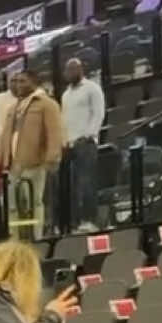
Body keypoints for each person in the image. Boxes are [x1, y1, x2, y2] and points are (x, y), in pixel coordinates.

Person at [0, 70, 64, 239]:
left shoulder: (46, 104)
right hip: (14, 165)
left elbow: (54, 132)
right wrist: (0, 160)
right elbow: (5, 136)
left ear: (34, 83)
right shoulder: (13, 107)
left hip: (35, 162)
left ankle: (36, 237)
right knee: (12, 205)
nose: (18, 85)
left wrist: (52, 157)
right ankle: (15, 238)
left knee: (33, 202)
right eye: (16, 81)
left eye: (22, 81)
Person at [60, 59, 106, 232]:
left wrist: (89, 135)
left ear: (81, 69)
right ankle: (73, 222)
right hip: (68, 144)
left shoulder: (92, 88)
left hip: (85, 143)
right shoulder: (65, 94)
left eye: (73, 68)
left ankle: (90, 220)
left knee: (86, 182)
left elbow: (99, 113)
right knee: (70, 186)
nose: (70, 72)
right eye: (68, 70)